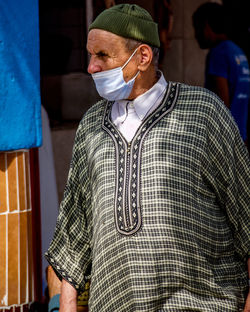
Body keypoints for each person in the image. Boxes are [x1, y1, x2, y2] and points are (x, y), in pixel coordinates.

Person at [45, 4, 250, 311]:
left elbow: (245, 214)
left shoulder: (203, 113)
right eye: (90, 55)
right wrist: (65, 303)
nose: (91, 67)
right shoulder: (90, 125)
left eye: (102, 55)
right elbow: (74, 233)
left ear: (142, 57)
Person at [192, 2, 250, 143]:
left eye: (197, 28)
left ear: (206, 25)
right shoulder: (237, 52)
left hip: (224, 141)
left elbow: (220, 104)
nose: (196, 35)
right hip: (240, 138)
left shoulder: (218, 53)